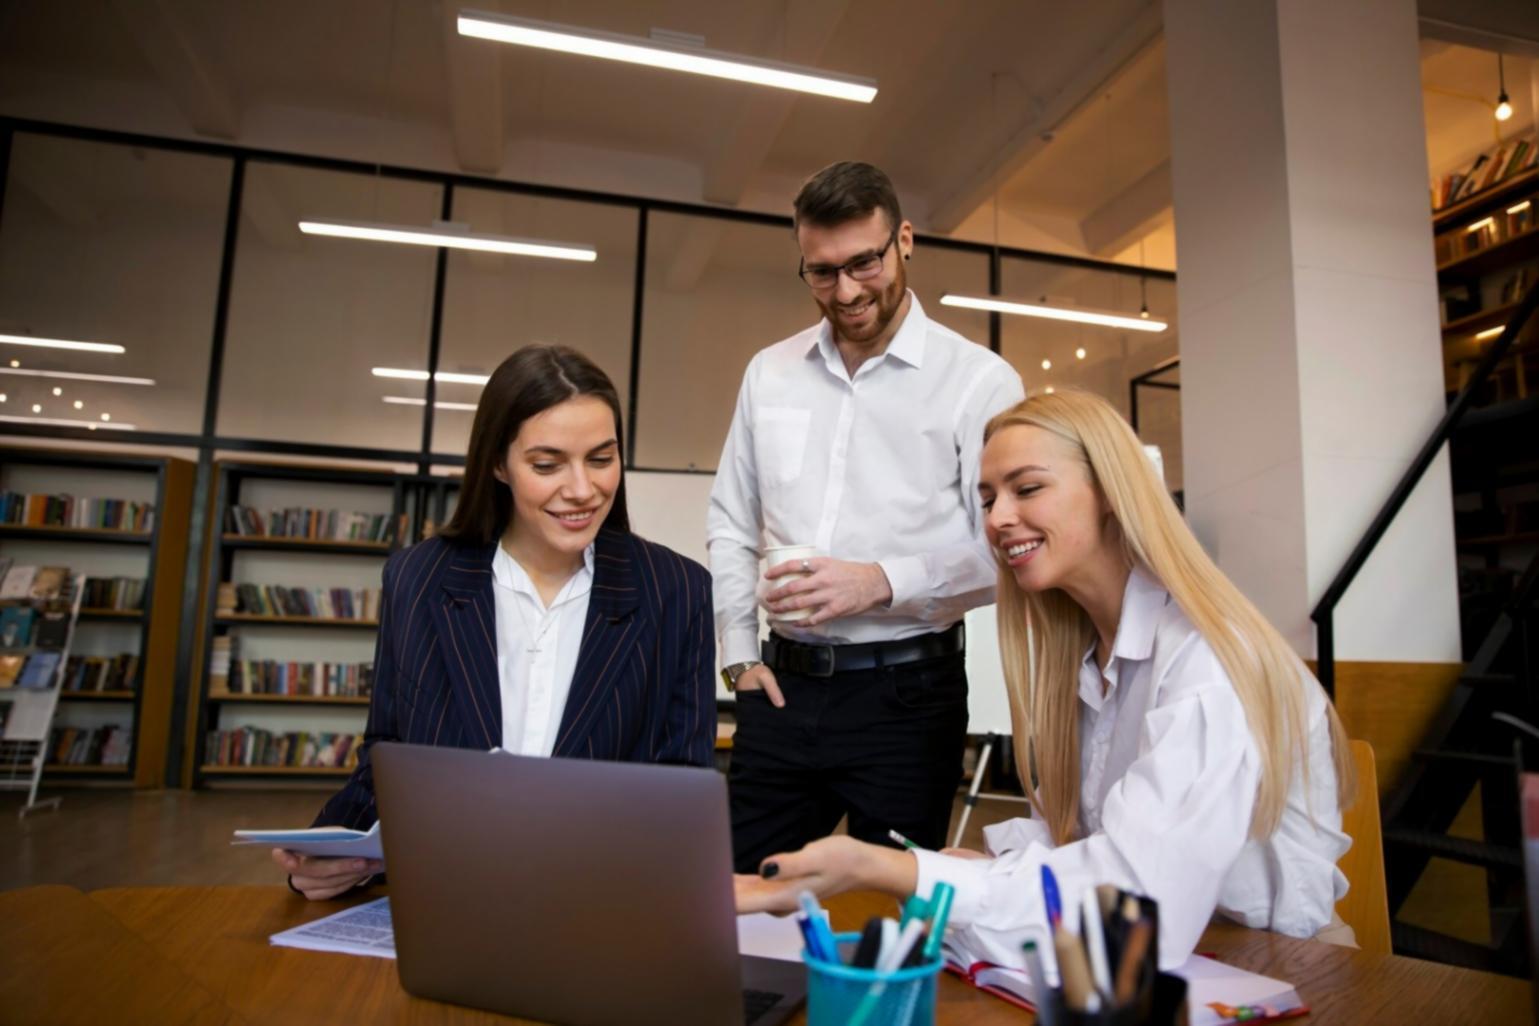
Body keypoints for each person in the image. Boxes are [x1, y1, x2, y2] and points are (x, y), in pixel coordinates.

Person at [736, 389, 1356, 970]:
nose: (999, 519)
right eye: (986, 500)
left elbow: (1136, 907)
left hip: (1279, 969)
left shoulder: (1208, 661)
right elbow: (1088, 838)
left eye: (1027, 488)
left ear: (1111, 491)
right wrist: (979, 865)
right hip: (1172, 966)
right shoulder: (1083, 658)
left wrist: (889, 868)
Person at [277, 345, 716, 899]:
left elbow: (683, 787)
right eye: (547, 464)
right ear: (497, 464)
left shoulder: (677, 591)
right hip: (450, 894)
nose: (582, 489)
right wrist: (331, 852)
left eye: (601, 459)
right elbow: (389, 755)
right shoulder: (419, 580)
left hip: (602, 902)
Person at [708, 161, 1025, 873]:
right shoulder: (770, 372)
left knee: (892, 917)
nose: (846, 291)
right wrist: (737, 654)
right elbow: (730, 519)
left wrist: (878, 582)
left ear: (903, 240)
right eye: (821, 272)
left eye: (863, 263)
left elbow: (1007, 546)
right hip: (780, 689)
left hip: (907, 697)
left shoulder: (978, 381)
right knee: (742, 897)